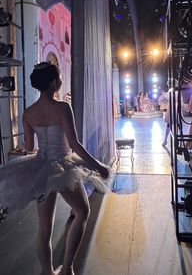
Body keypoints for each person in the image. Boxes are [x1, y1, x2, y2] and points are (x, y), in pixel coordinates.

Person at [0, 62, 110, 275]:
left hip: (41, 168)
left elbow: (30, 147)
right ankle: (67, 268)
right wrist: (98, 166)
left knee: (44, 228)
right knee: (82, 212)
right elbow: (75, 144)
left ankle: (47, 271)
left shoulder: (28, 112)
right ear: (53, 83)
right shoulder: (62, 107)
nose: (60, 80)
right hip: (63, 167)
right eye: (59, 77)